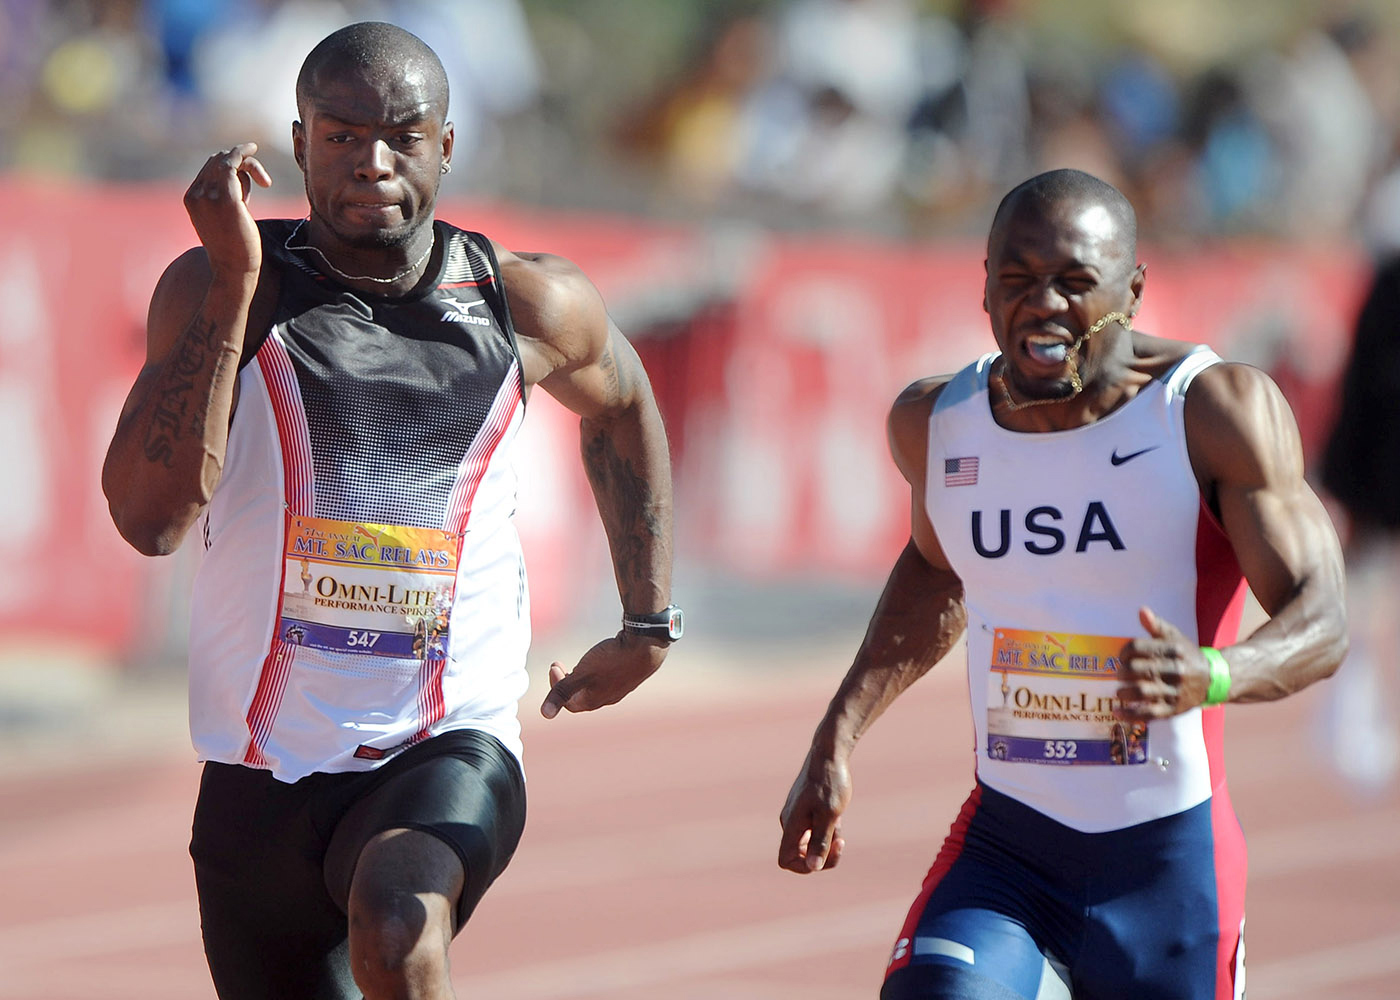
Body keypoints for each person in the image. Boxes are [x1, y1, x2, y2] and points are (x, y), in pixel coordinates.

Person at [101, 22, 682, 1000]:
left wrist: (647, 619)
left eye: (403, 135)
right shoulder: (224, 285)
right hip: (258, 771)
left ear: (446, 147)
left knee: (398, 925)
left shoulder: (524, 304)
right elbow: (150, 521)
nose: (371, 160)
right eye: (341, 135)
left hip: (445, 741)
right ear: (298, 142)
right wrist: (234, 289)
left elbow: (623, 404)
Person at [777, 168, 1347, 1000]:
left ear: (1135, 289)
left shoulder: (1211, 413)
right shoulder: (939, 424)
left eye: (1075, 283)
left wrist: (1215, 675)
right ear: (983, 288)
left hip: (1169, 866)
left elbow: (1322, 618)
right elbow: (937, 576)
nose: (1043, 304)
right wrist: (838, 734)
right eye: (1017, 280)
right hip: (1009, 851)